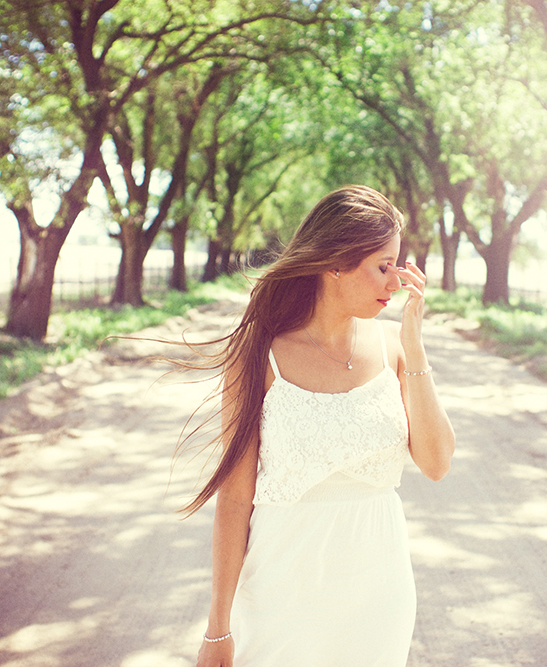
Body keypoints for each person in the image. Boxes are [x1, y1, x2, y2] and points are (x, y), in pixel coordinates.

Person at [189, 185, 455, 667]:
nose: (396, 283)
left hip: (380, 591)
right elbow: (234, 498)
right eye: (383, 265)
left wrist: (415, 347)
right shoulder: (260, 353)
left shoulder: (396, 347)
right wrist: (217, 627)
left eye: (397, 265)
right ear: (335, 262)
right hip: (282, 592)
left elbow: (436, 464)